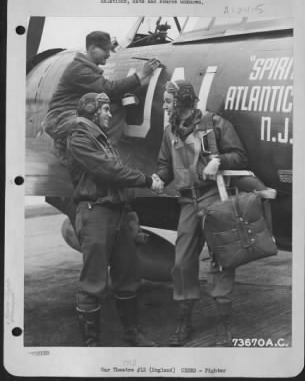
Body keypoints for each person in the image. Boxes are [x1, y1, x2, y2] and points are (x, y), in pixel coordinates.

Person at [152, 80, 248, 346]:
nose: (165, 105)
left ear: (183, 100)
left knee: (221, 262)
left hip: (214, 198)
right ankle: (184, 322)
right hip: (187, 203)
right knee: (182, 263)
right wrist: (160, 177)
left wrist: (219, 160)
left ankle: (223, 325)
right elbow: (164, 164)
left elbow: (239, 156)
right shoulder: (169, 131)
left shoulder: (216, 124)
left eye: (169, 100)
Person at [66, 91, 158, 347]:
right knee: (93, 282)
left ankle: (131, 333)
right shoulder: (80, 139)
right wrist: (147, 179)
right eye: (105, 110)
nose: (110, 114)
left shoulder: (101, 140)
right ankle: (91, 345)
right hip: (95, 214)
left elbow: (115, 177)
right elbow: (109, 171)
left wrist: (129, 212)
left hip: (116, 214)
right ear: (93, 112)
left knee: (128, 276)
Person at [44, 30, 160, 160]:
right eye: (105, 50)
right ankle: (90, 154)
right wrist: (142, 74)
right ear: (93, 48)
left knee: (115, 108)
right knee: (92, 122)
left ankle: (95, 151)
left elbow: (105, 93)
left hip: (70, 114)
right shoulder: (79, 69)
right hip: (60, 119)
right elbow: (107, 89)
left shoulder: (86, 67)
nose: (108, 54)